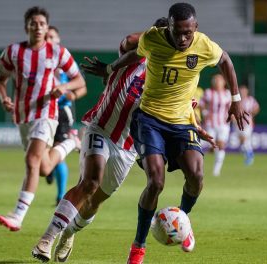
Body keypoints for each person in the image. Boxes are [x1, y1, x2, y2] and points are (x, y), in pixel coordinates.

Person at [31, 17, 217, 263]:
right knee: (89, 183)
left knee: (95, 201)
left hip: (129, 146)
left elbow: (185, 107)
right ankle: (46, 239)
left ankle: (70, 231)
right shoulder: (134, 55)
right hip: (101, 128)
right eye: (165, 37)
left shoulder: (178, 75)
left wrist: (197, 126)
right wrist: (157, 36)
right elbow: (129, 40)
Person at [82, 3, 248, 264]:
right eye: (177, 32)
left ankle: (183, 219)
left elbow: (225, 60)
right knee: (156, 182)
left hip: (181, 124)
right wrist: (110, 68)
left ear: (195, 28)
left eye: (187, 33)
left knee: (196, 176)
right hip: (149, 120)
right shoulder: (153, 38)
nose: (182, 39)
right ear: (168, 27)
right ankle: (138, 246)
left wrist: (236, 98)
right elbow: (134, 54)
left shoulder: (204, 45)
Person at [0, 6, 86, 232]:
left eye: (42, 24)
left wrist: (63, 87)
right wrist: (4, 98)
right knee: (44, 167)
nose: (38, 27)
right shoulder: (13, 52)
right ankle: (72, 142)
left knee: (32, 161)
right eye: (33, 23)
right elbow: (0, 81)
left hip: (47, 114)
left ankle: (17, 216)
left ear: (47, 28)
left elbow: (80, 82)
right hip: (23, 115)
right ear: (26, 26)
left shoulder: (57, 52)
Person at [45, 26, 87, 205]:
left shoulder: (65, 63)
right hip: (42, 112)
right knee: (44, 153)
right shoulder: (38, 62)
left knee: (57, 151)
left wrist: (72, 94)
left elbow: (82, 87)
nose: (48, 39)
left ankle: (60, 195)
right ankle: (49, 169)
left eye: (51, 36)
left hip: (61, 112)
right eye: (46, 37)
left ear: (58, 40)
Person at [201, 74, 232, 175]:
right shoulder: (208, 93)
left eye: (219, 80)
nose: (217, 82)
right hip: (210, 124)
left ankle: (216, 171)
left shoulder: (227, 94)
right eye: (216, 80)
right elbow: (201, 105)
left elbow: (230, 108)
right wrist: (205, 114)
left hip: (223, 124)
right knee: (211, 146)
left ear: (223, 82)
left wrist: (231, 117)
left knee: (221, 145)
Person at [233, 85, 260, 165]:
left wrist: (252, 112)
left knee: (244, 139)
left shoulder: (250, 100)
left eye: (244, 91)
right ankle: (249, 154)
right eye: (241, 91)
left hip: (248, 123)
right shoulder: (236, 101)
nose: (242, 92)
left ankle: (249, 155)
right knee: (242, 141)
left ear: (247, 91)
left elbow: (257, 108)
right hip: (237, 123)